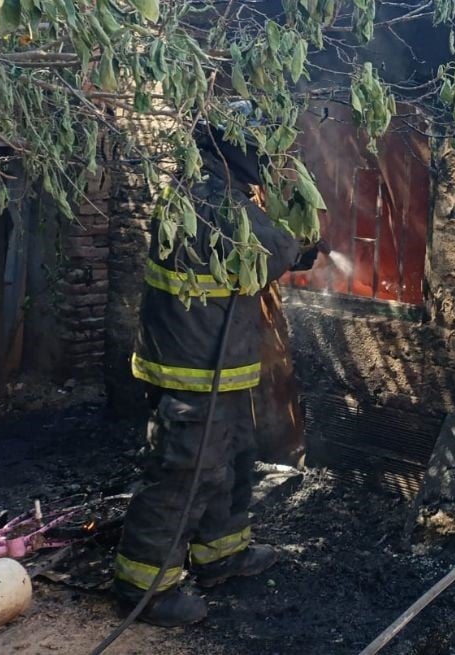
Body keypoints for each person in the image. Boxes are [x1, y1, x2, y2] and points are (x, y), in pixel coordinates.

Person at [112, 115, 320, 626]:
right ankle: (145, 589)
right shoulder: (211, 204)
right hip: (193, 369)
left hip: (217, 365)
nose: (266, 164)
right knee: (185, 471)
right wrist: (303, 226)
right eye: (261, 151)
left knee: (231, 457)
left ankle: (221, 554)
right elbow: (279, 249)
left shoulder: (202, 189)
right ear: (236, 150)